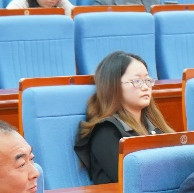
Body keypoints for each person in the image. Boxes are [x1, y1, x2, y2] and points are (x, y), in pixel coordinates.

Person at [74, 51, 172, 184]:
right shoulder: (106, 131)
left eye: (147, 80)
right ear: (114, 86)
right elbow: (130, 180)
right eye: (137, 81)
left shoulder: (154, 126)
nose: (145, 87)